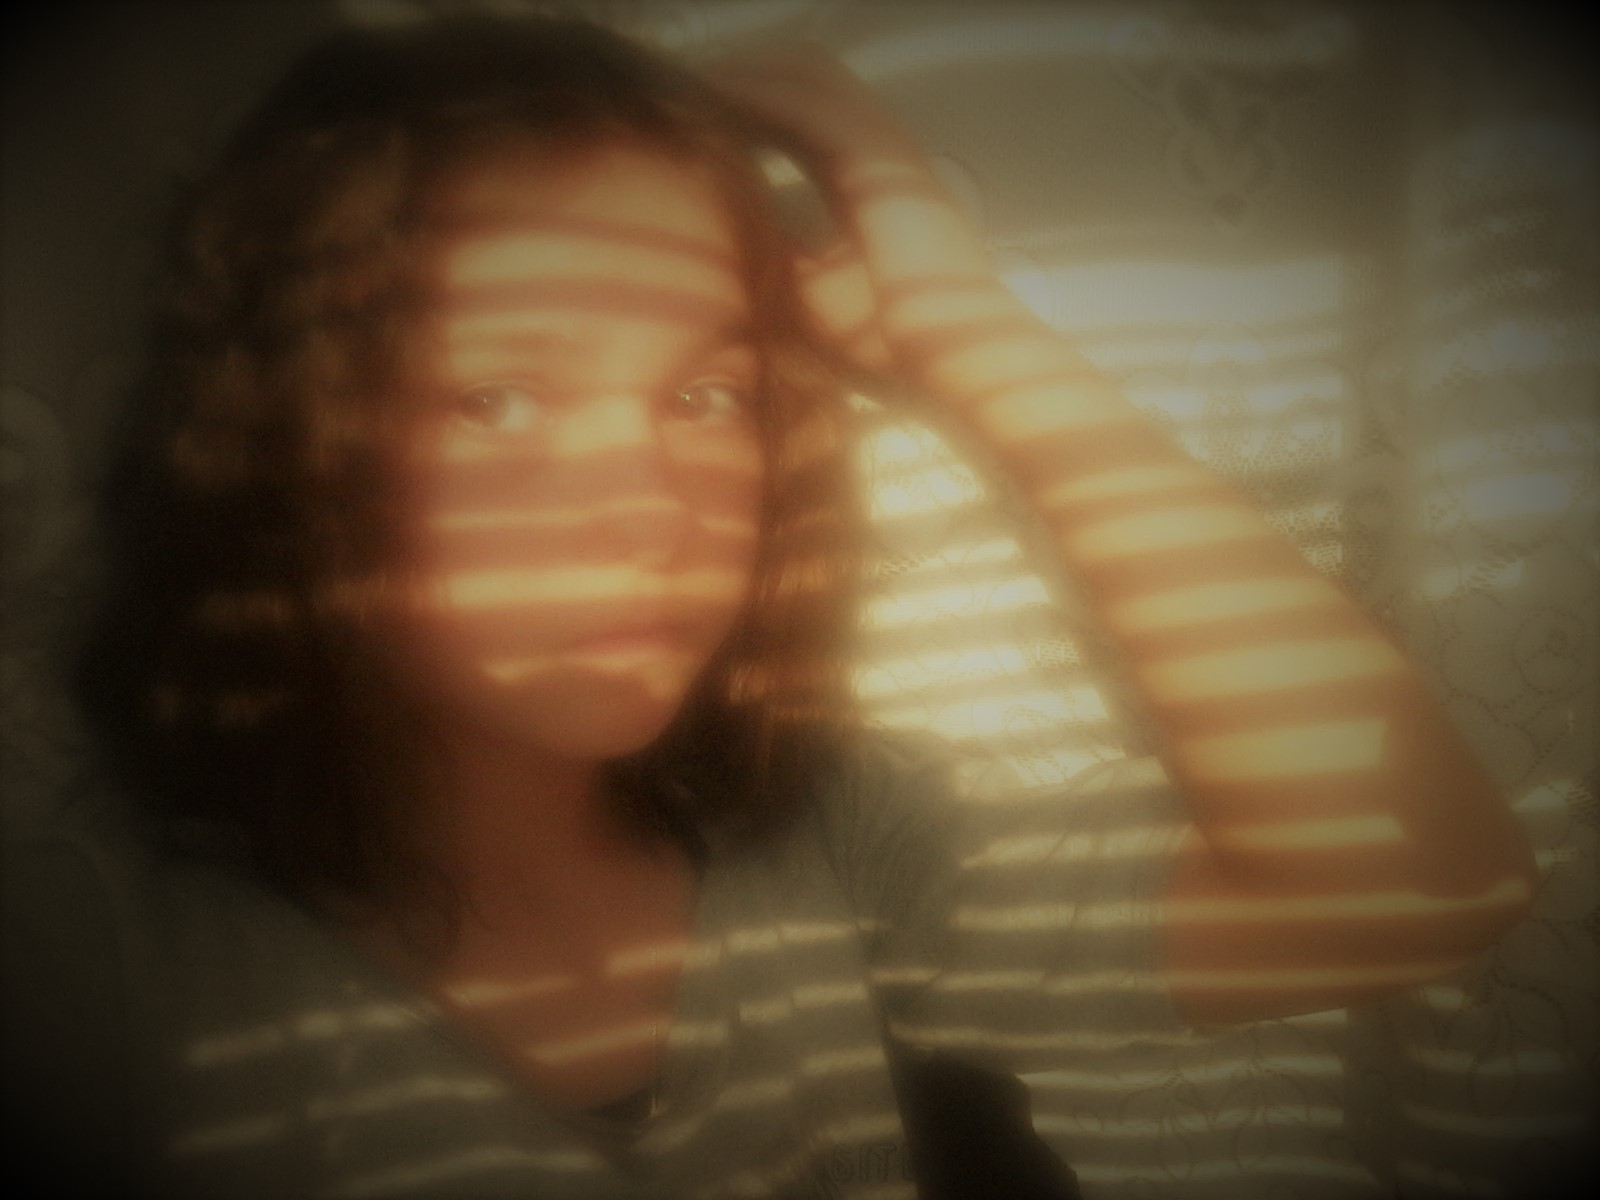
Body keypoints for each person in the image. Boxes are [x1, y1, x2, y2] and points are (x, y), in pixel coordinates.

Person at [2, 13, 1538, 1199]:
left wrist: (961, 331)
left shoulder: (836, 844)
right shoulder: (101, 973)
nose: (654, 505)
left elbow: (1417, 881)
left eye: (708, 392)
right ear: (283, 442)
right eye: (492, 397)